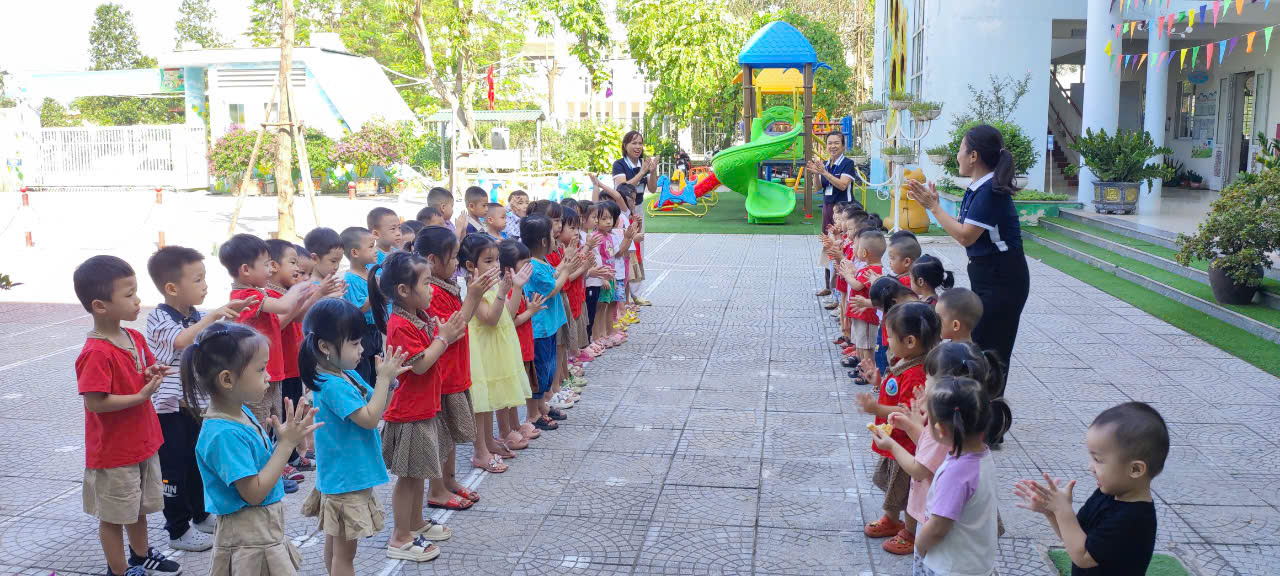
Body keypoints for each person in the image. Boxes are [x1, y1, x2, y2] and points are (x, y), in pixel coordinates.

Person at [73, 255, 182, 576]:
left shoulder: (133, 338)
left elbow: (139, 371)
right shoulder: (96, 352)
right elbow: (96, 403)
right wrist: (140, 396)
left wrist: (150, 371)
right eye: (129, 294)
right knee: (114, 516)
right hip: (114, 453)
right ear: (100, 306)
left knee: (138, 508)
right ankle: (119, 570)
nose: (137, 300)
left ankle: (141, 555)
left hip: (142, 443)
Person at [144, 246, 256, 552]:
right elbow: (181, 340)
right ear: (171, 288)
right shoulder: (158, 318)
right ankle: (178, 529)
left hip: (197, 408)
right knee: (174, 471)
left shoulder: (198, 316)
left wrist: (231, 314)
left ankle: (201, 514)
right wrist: (216, 315)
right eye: (198, 279)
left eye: (204, 277)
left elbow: (214, 334)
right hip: (169, 413)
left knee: (198, 462)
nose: (205, 285)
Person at [184, 323, 316, 575]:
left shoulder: (239, 412)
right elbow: (253, 493)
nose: (268, 375)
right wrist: (285, 445)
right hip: (248, 539)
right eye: (261, 369)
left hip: (261, 530)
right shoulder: (223, 434)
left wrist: (284, 439)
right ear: (227, 379)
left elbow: (258, 463)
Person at [907, 123, 1030, 387]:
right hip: (989, 276)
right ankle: (980, 402)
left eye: (961, 150)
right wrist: (935, 206)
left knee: (992, 351)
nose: (958, 156)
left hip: (1003, 281)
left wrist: (934, 208)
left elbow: (965, 236)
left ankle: (988, 407)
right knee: (982, 347)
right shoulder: (979, 188)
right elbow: (963, 230)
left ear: (974, 156)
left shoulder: (990, 192)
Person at [298, 298, 410, 576]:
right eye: (355, 343)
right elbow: (370, 419)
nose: (361, 349)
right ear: (325, 347)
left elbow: (377, 407)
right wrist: (382, 380)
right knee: (345, 554)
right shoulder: (333, 386)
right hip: (346, 479)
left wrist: (389, 382)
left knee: (336, 545)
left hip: (343, 476)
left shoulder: (344, 375)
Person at [368, 251, 466, 561]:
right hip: (409, 412)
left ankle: (415, 523)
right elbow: (420, 365)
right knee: (408, 478)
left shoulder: (417, 316)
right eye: (425, 283)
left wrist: (441, 334)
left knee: (419, 472)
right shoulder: (400, 324)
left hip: (424, 407)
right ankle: (400, 537)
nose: (431, 289)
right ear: (403, 290)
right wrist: (444, 338)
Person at [873, 342, 1005, 565]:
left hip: (948, 556)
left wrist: (892, 446)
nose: (924, 383)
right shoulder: (963, 429)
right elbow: (932, 450)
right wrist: (911, 427)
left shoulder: (956, 468)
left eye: (928, 379)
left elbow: (920, 468)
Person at [1014, 402, 1168, 576]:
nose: (1091, 467)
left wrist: (1063, 510)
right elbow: (1074, 538)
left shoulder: (1133, 519)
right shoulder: (1107, 494)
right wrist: (1051, 512)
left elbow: (1083, 557)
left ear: (1135, 469)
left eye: (1098, 460)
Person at [413, 225, 499, 508]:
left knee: (449, 432)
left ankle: (448, 481)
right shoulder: (431, 292)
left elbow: (463, 321)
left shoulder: (445, 285)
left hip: (456, 369)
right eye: (451, 258)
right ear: (432, 260)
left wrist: (473, 295)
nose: (456, 263)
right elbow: (454, 329)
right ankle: (436, 490)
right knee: (440, 435)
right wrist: (473, 296)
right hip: (443, 373)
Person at [856, 301, 941, 555]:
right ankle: (891, 519)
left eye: (890, 337)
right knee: (894, 483)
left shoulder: (916, 372)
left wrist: (876, 408)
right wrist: (877, 381)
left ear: (911, 341)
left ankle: (911, 531)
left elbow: (905, 411)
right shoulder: (904, 361)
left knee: (910, 489)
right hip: (896, 439)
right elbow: (893, 390)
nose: (887, 342)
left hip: (908, 444)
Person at [219, 234, 311, 453]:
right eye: (266, 265)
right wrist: (298, 289)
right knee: (260, 423)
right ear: (246, 270)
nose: (270, 270)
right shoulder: (245, 295)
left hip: (270, 372)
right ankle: (260, 464)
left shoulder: (256, 293)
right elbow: (284, 307)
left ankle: (275, 462)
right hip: (257, 374)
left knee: (273, 420)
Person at [457, 234, 536, 471]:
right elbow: (490, 318)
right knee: (481, 401)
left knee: (489, 398)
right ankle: (480, 450)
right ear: (470, 265)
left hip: (496, 347)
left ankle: (490, 441)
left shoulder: (492, 283)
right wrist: (502, 292)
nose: (495, 266)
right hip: (482, 349)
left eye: (497, 260)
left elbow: (508, 314)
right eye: (488, 261)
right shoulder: (472, 288)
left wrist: (516, 288)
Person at [913, 375, 1001, 575]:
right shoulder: (982, 455)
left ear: (941, 429)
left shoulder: (957, 473)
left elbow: (938, 527)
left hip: (951, 567)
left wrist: (920, 544)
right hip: (975, 562)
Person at [266, 239, 340, 474]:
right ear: (273, 266)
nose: (299, 273)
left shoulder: (284, 294)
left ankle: (290, 457)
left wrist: (320, 296)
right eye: (293, 264)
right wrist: (316, 293)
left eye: (305, 271)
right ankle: (279, 462)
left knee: (291, 415)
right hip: (278, 368)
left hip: (291, 366)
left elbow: (299, 316)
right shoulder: (270, 297)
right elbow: (280, 323)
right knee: (278, 418)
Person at [520, 214, 575, 431]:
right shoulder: (532, 266)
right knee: (539, 372)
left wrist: (565, 263)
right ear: (544, 241)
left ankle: (542, 406)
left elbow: (553, 274)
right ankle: (532, 414)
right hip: (539, 328)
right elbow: (552, 288)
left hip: (548, 326)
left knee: (548, 369)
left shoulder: (540, 261)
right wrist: (567, 270)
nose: (555, 239)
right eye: (552, 236)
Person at [500, 239, 547, 444]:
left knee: (516, 391)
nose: (530, 268)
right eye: (525, 264)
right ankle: (508, 429)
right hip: (514, 347)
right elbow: (511, 320)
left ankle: (516, 425)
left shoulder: (519, 288)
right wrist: (531, 312)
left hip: (523, 346)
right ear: (508, 269)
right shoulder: (510, 290)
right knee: (508, 395)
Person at [809, 130, 859, 298]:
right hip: (828, 208)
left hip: (844, 210)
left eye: (836, 143)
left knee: (842, 246)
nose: (832, 146)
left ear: (843, 146)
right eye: (830, 143)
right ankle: (829, 286)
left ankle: (841, 292)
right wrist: (816, 174)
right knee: (828, 245)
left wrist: (824, 172)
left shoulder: (847, 163)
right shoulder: (826, 164)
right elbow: (818, 188)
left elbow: (843, 185)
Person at [838, 230, 886, 382]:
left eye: (857, 247)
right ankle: (863, 366)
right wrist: (852, 271)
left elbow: (857, 285)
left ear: (864, 252)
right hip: (860, 313)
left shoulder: (873, 270)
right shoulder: (867, 268)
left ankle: (868, 372)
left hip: (866, 315)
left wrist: (847, 275)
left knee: (867, 346)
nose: (854, 249)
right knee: (861, 342)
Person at [338, 227, 382, 387]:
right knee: (364, 369)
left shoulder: (371, 272)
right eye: (371, 246)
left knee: (377, 366)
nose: (376, 250)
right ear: (355, 253)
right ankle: (364, 396)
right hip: (362, 331)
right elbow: (359, 309)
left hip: (375, 328)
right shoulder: (350, 278)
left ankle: (376, 395)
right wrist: (374, 290)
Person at [612, 130, 658, 206]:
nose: (638, 147)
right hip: (621, 207)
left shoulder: (645, 164)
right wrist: (641, 173)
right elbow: (621, 189)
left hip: (639, 206)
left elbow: (653, 190)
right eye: (634, 143)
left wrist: (653, 172)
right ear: (625, 145)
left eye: (640, 143)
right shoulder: (619, 164)